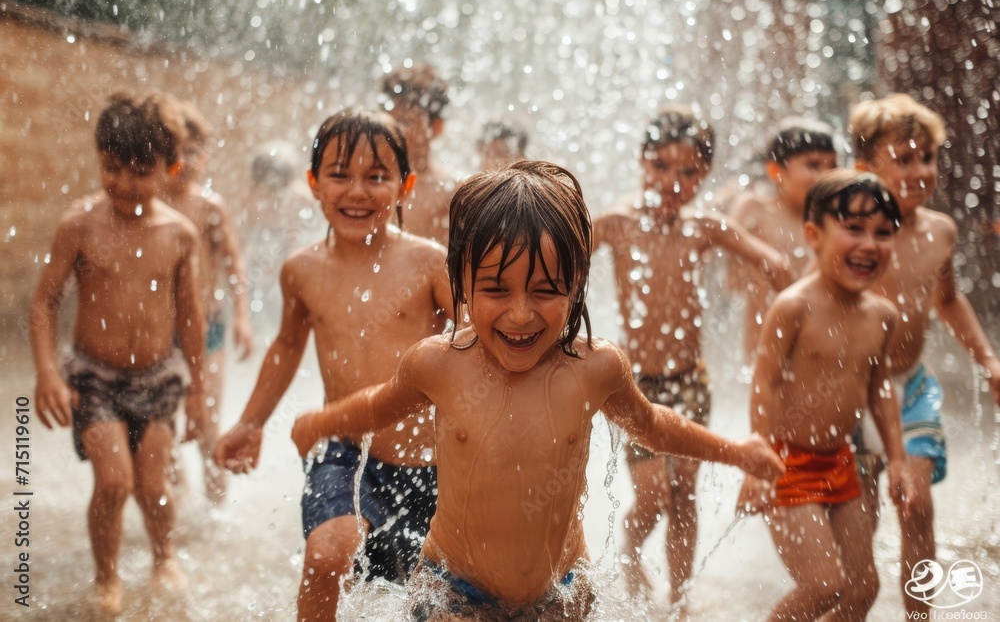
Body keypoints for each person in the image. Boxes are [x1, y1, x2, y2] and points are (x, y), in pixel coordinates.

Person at [291, 160, 786, 621]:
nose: (521, 313)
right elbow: (378, 406)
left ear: (578, 284)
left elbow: (654, 426)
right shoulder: (439, 364)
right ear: (460, 280)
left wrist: (738, 451)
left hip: (562, 592)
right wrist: (322, 422)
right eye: (496, 290)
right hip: (453, 589)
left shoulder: (596, 369)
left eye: (546, 291)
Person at [213, 108, 453, 621]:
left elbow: (474, 343)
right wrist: (251, 422)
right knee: (327, 554)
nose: (357, 192)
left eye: (377, 177)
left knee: (428, 597)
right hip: (344, 448)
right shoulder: (302, 270)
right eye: (340, 175)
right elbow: (285, 347)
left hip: (435, 464)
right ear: (313, 184)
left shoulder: (430, 263)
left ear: (405, 186)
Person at [591, 104, 794, 605]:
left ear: (704, 174)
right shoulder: (617, 222)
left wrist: (793, 322)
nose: (672, 182)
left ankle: (680, 601)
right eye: (660, 167)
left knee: (683, 496)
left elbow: (776, 265)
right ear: (642, 162)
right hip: (636, 384)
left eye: (688, 172)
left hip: (689, 380)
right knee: (655, 493)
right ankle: (630, 548)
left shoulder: (703, 226)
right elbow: (564, 262)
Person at [29, 91, 207, 615]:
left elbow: (191, 321)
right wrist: (46, 374)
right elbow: (44, 303)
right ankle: (106, 577)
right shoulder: (80, 224)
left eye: (140, 172)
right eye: (112, 169)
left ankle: (163, 555)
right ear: (98, 160)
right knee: (113, 482)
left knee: (153, 485)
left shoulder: (179, 235)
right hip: (94, 376)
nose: (125, 185)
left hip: (157, 377)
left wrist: (196, 394)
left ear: (168, 168)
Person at [737, 171, 915, 621]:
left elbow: (880, 391)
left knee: (862, 589)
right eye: (853, 229)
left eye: (883, 233)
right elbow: (765, 382)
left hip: (840, 463)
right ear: (814, 235)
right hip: (785, 466)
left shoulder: (883, 316)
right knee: (822, 585)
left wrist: (897, 459)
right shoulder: (795, 305)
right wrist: (757, 461)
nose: (869, 245)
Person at [849, 93, 1000, 615]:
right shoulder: (851, 233)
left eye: (927, 158)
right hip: (853, 394)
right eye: (904, 158)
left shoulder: (940, 232)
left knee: (917, 506)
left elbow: (949, 299)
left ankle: (920, 614)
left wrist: (988, 359)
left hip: (910, 388)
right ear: (866, 167)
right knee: (859, 519)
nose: (920, 170)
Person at [160, 99, 253, 503]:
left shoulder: (209, 207)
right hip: (159, 333)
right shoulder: (149, 204)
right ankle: (172, 503)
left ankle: (217, 512)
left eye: (195, 152)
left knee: (207, 422)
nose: (187, 160)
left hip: (208, 328)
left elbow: (234, 265)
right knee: (161, 426)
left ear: (206, 156)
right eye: (178, 152)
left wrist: (242, 319)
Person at [728, 117, 838, 361]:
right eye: (812, 165)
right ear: (776, 172)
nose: (824, 175)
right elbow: (726, 244)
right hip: (763, 354)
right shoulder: (755, 209)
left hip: (813, 355)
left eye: (832, 166)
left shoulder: (831, 222)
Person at [240, 139, 319, 340]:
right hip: (261, 251)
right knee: (259, 306)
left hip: (289, 251)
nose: (272, 193)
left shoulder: (300, 196)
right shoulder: (252, 194)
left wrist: (284, 252)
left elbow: (305, 234)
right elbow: (246, 234)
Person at [380, 62, 454, 244]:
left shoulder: (449, 192)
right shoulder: (370, 182)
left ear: (436, 128)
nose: (393, 130)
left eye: (405, 121)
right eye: (388, 119)